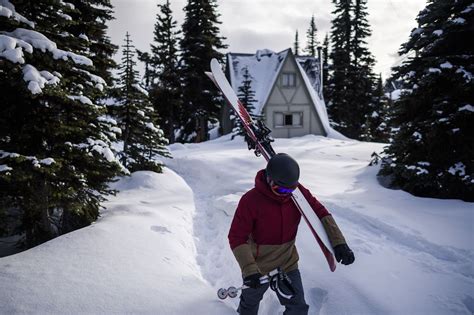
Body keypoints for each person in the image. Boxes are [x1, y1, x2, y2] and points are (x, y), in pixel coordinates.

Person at [228, 153, 355, 315]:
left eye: (290, 189)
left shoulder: (298, 194)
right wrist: (249, 269)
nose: (286, 194)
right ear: (269, 179)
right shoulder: (250, 200)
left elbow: (320, 213)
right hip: (258, 266)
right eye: (280, 189)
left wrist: (339, 242)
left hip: (287, 263)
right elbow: (237, 237)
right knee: (249, 306)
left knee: (298, 308)